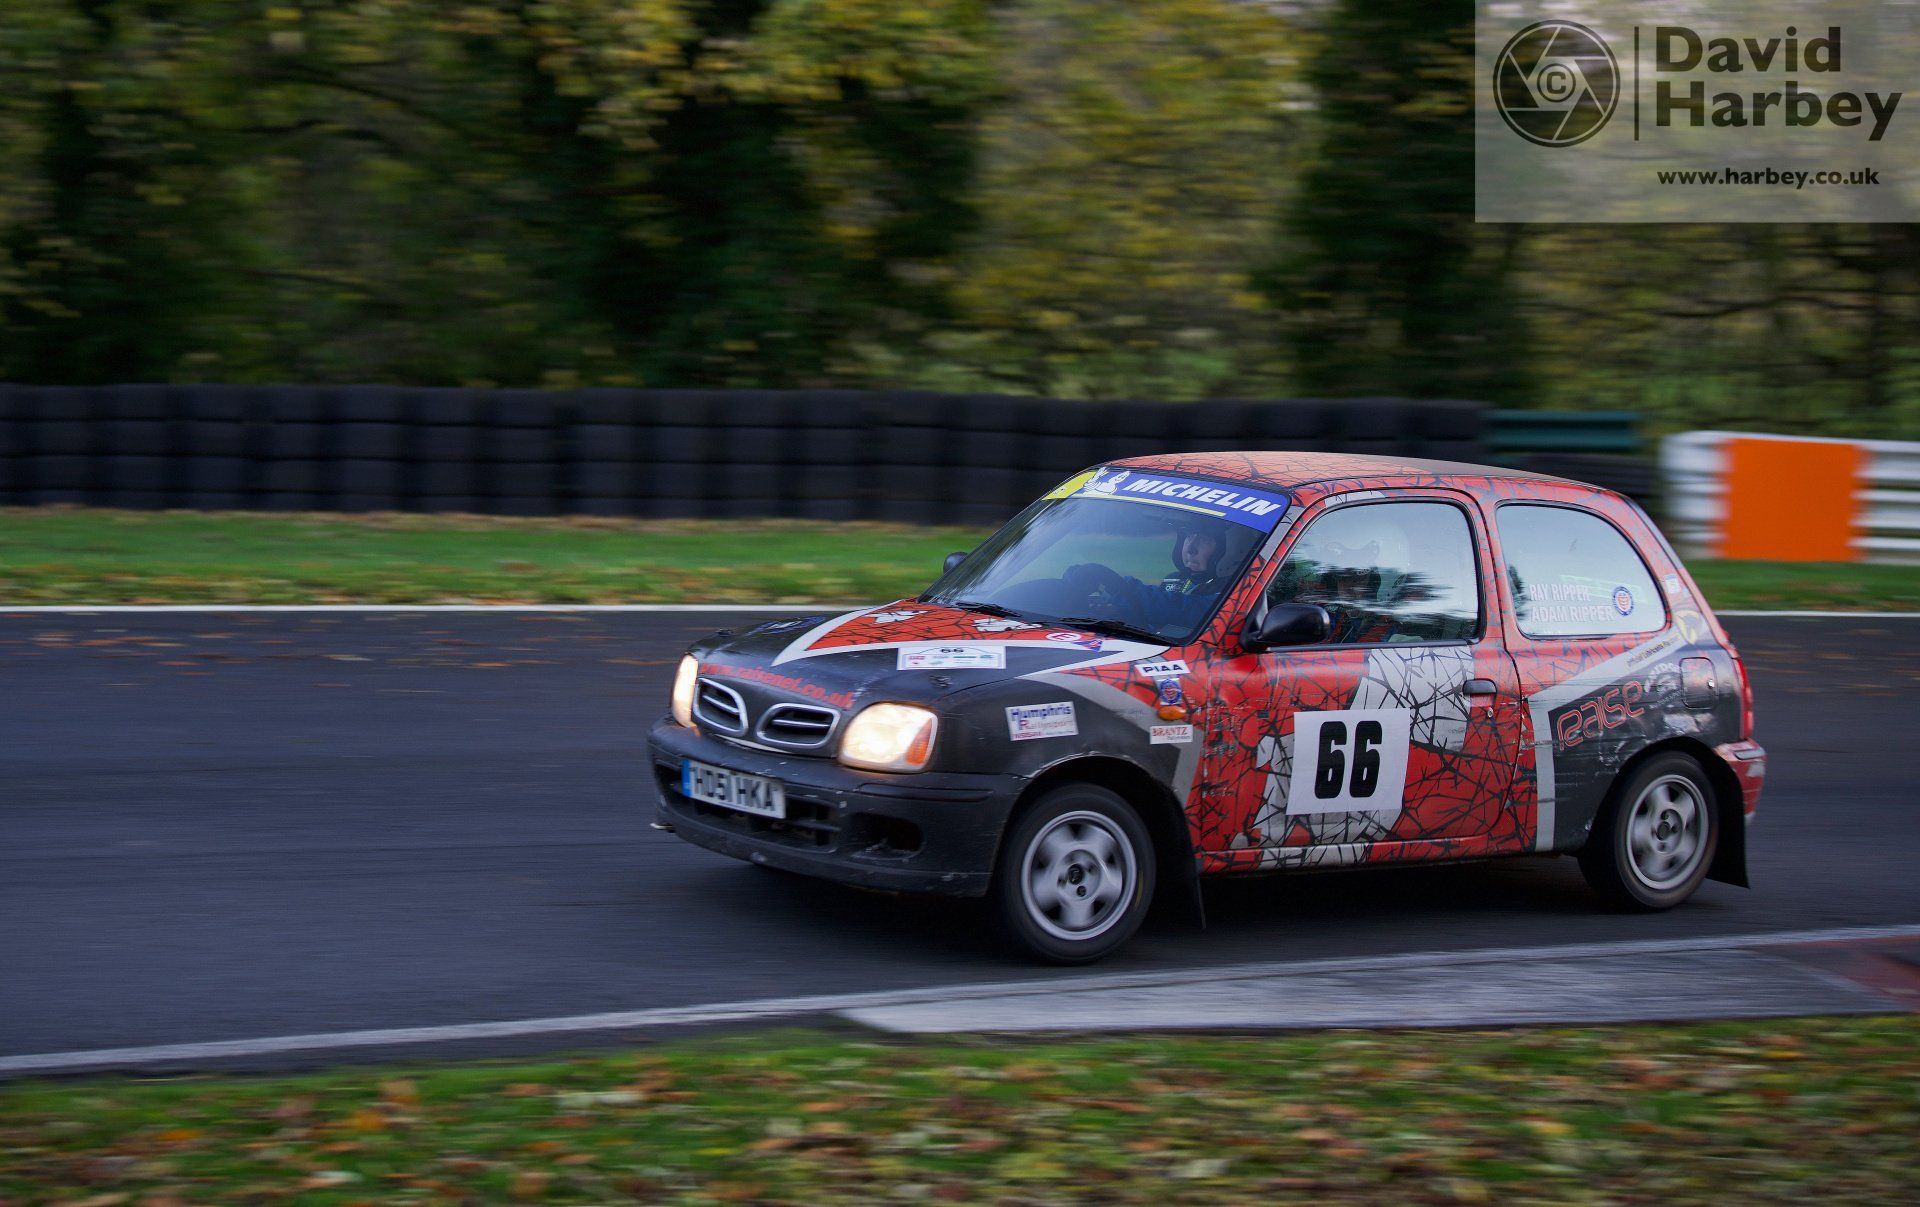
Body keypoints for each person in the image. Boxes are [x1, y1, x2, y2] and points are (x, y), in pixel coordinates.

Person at [1064, 524, 1232, 633]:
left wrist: (1122, 589)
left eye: (1204, 541)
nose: (1191, 549)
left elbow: (1184, 611)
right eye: (1189, 537)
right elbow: (1151, 620)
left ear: (1228, 549)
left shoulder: (1232, 591)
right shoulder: (1174, 580)